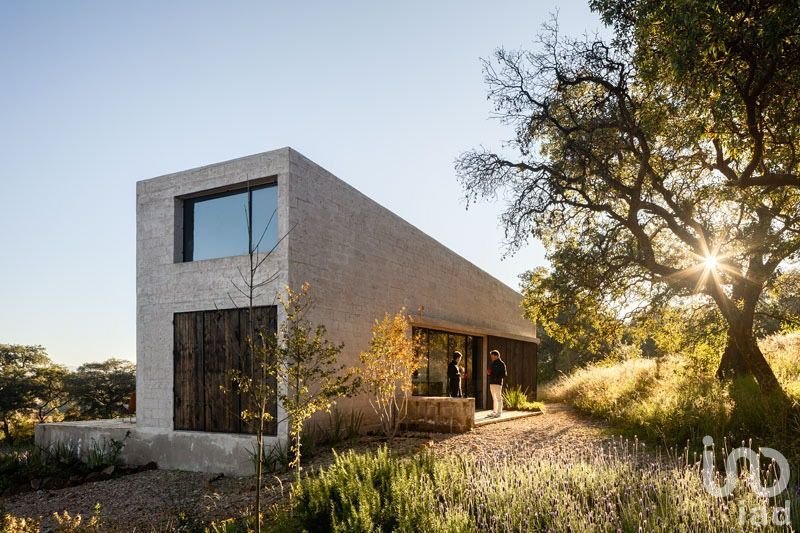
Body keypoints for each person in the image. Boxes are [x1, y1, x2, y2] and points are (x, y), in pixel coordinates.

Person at [487, 349, 506, 418]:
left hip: (498, 383)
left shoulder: (502, 364)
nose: (491, 357)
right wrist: (489, 373)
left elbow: (504, 374)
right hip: (492, 382)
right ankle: (494, 412)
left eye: (492, 356)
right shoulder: (492, 363)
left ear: (496, 356)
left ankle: (499, 413)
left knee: (498, 398)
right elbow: (490, 372)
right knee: (494, 398)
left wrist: (496, 376)